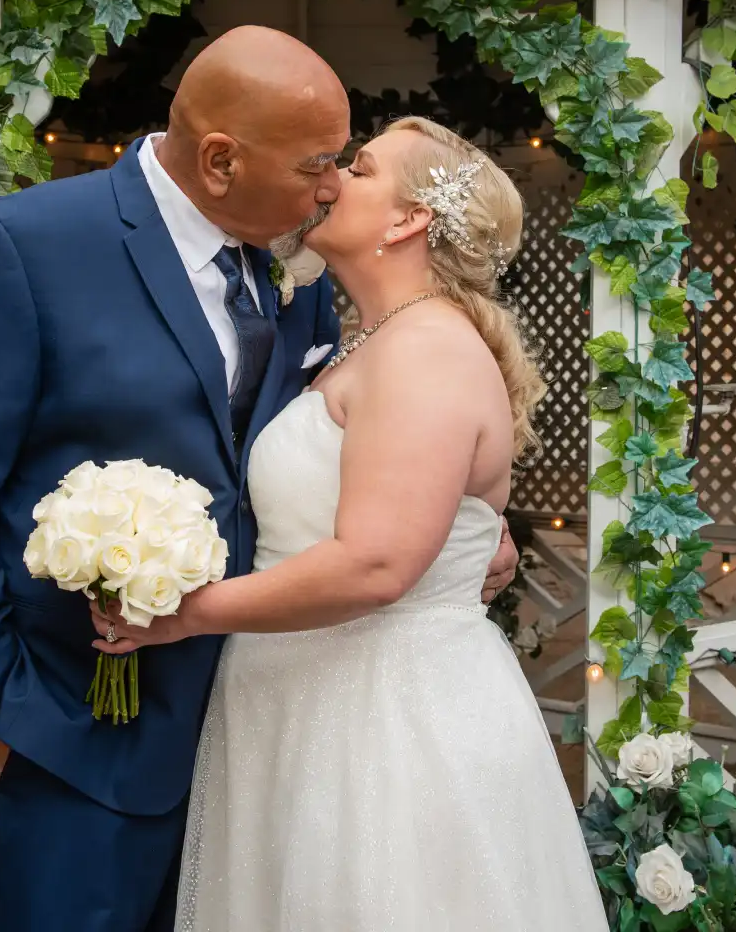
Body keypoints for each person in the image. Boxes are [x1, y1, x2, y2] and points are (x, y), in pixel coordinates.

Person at [0, 30, 519, 932]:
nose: (332, 184)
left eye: (349, 165)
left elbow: (365, 463)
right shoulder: (31, 248)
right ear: (221, 160)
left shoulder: (295, 286)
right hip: (72, 737)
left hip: (261, 747)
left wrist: (469, 528)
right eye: (318, 165)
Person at [94, 117, 608, 932]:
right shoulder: (362, 341)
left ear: (409, 221)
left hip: (387, 727)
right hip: (301, 706)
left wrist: (185, 615)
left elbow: (375, 565)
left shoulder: (427, 349)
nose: (331, 179)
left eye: (360, 169)